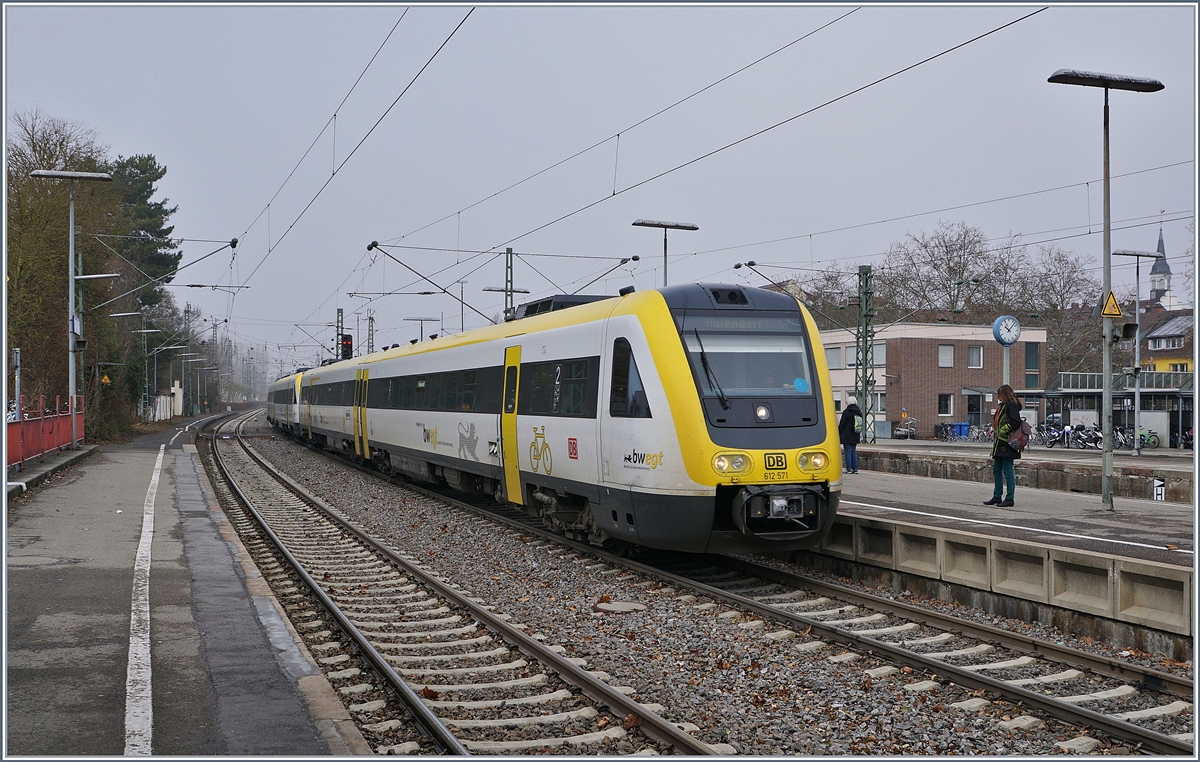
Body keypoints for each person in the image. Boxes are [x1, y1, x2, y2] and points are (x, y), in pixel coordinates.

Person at [984, 384, 1022, 507]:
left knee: (1008, 470)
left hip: (1007, 442)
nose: (998, 397)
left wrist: (1003, 430)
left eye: (999, 394)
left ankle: (1010, 497)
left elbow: (1015, 422)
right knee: (996, 469)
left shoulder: (1010, 406)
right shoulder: (1004, 405)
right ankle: (997, 496)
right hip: (1000, 442)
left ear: (1004, 395)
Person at [838, 395, 863, 474]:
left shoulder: (847, 412)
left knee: (848, 451)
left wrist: (838, 432)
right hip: (855, 434)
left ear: (848, 403)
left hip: (847, 435)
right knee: (853, 451)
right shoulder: (859, 411)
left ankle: (848, 468)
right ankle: (855, 469)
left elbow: (842, 423)